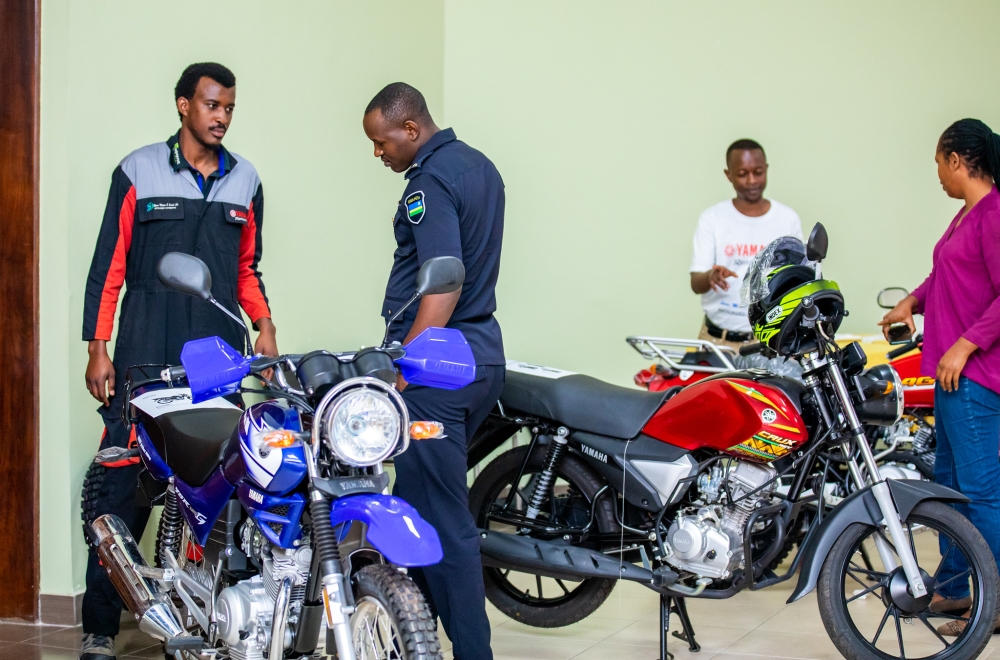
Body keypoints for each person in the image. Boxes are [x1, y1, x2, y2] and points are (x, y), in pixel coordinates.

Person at [80, 62, 277, 660]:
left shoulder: (246, 181)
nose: (221, 117)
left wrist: (265, 327)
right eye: (212, 105)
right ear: (183, 105)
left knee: (220, 485)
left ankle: (205, 614)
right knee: (122, 487)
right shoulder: (137, 169)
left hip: (216, 358)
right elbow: (108, 265)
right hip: (143, 352)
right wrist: (98, 345)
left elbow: (246, 269)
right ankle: (100, 623)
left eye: (229, 108)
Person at [363, 82, 505, 659]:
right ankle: (411, 639)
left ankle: (473, 654)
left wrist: (406, 367)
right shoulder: (480, 166)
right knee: (416, 510)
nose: (379, 153)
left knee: (443, 521)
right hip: (479, 358)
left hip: (436, 369)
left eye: (382, 141)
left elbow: (445, 279)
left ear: (412, 130)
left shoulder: (429, 180)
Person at [879, 118, 1000, 637]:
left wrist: (966, 345)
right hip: (953, 381)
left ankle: (992, 603)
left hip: (975, 379)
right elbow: (947, 275)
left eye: (938, 163)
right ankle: (953, 589)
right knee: (948, 490)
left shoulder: (994, 215)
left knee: (979, 493)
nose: (937, 175)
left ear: (957, 160)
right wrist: (913, 300)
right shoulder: (965, 216)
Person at [690, 139, 803, 349]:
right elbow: (696, 283)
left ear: (767, 169)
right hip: (717, 341)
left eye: (758, 172)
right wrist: (710, 277)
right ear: (728, 175)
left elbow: (799, 278)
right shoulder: (712, 219)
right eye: (742, 174)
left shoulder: (787, 219)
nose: (752, 180)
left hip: (769, 342)